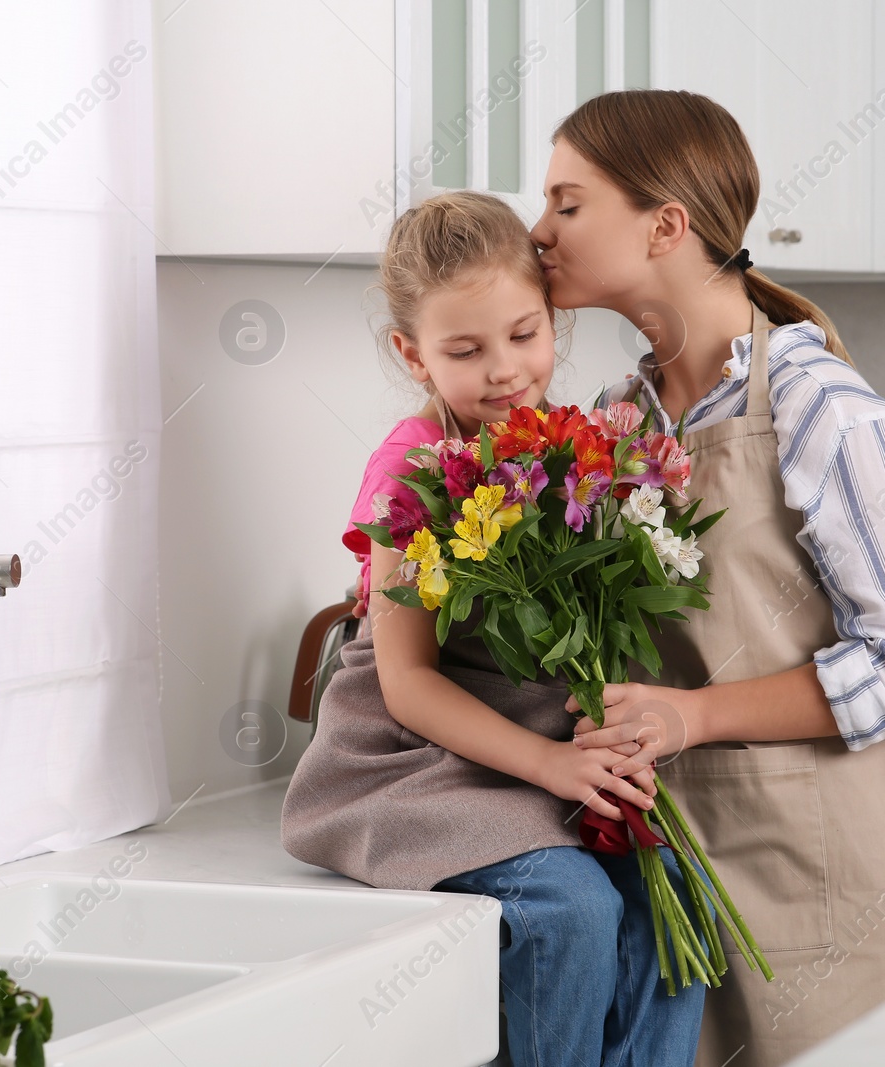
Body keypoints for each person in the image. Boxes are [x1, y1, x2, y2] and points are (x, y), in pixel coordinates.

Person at [532, 90, 885, 1067]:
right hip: (691, 886)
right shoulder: (616, 418)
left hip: (845, 886)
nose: (539, 232)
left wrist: (689, 716)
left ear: (665, 224)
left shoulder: (818, 406)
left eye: (567, 204)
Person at [280, 189, 707, 1066]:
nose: (506, 369)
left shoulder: (573, 440)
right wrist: (553, 761)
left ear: (553, 320)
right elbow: (406, 682)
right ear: (413, 355)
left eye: (525, 334)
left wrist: (602, 730)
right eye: (465, 350)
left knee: (679, 900)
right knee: (574, 910)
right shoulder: (413, 464)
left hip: (527, 752)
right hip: (413, 763)